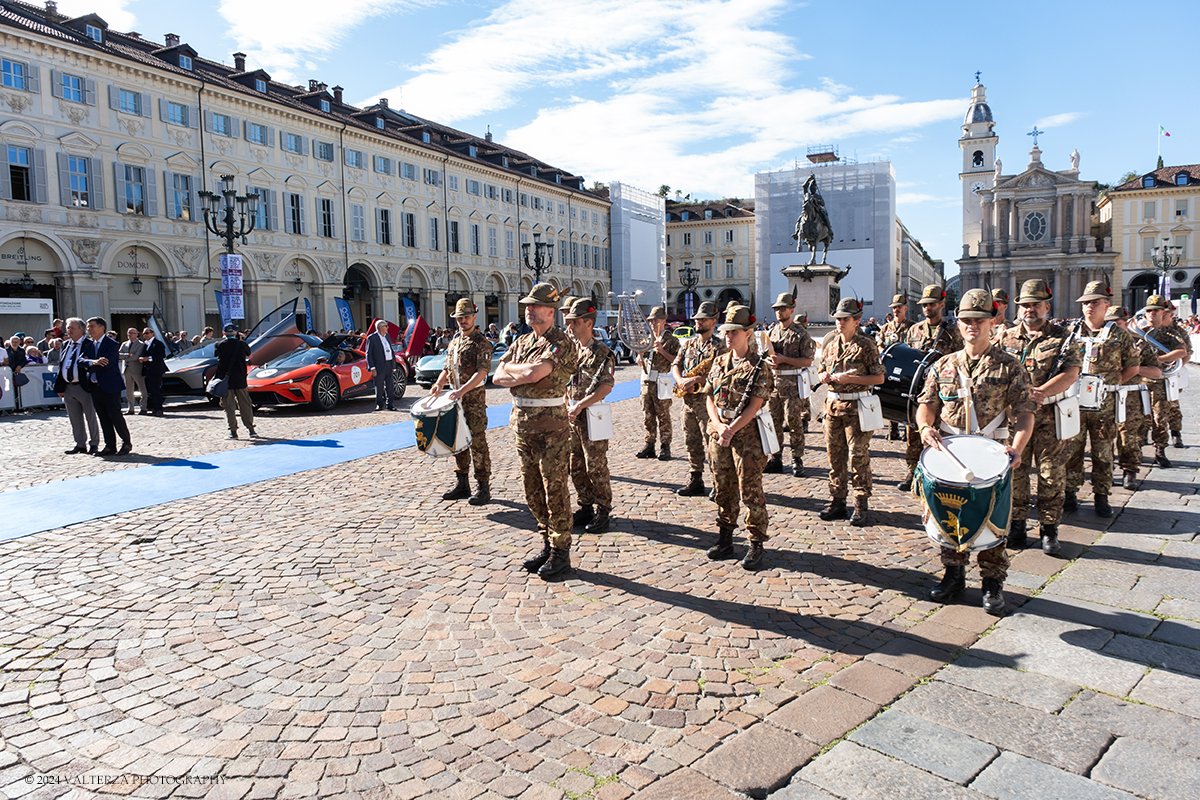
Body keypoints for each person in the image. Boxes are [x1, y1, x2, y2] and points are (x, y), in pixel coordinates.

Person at [916, 289, 1036, 616]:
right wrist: (926, 428)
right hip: (951, 454)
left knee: (992, 521)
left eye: (980, 320)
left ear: (992, 322)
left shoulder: (1010, 366)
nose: (973, 326)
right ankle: (953, 576)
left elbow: (1025, 412)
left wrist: (1018, 447)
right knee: (949, 518)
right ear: (958, 322)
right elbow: (926, 407)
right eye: (967, 320)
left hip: (992, 453)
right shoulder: (943, 365)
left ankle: (992, 584)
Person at [494, 283, 578, 580]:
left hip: (551, 428)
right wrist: (521, 371)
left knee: (554, 490)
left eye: (535, 305)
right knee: (532, 491)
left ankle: (561, 552)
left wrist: (518, 373)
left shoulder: (562, 342)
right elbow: (497, 375)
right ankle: (546, 541)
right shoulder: (522, 341)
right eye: (527, 305)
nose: (528, 309)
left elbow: (532, 373)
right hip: (522, 424)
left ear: (551, 311)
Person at [997, 279, 1081, 554]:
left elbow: (1070, 374)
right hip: (1013, 419)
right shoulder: (1004, 336)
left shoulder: (1063, 337)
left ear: (1047, 306)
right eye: (1025, 305)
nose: (1030, 310)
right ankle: (1018, 526)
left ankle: (1049, 530)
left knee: (1051, 475)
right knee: (1015, 473)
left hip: (1049, 418)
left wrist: (1041, 391)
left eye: (1035, 304)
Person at [1064, 282, 1142, 517]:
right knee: (1071, 449)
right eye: (1086, 302)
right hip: (1075, 401)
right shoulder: (1070, 332)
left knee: (1103, 451)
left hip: (1104, 402)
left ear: (1106, 305)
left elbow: (1133, 366)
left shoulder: (1119, 334)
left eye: (1095, 302)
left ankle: (1101, 495)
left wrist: (1115, 380)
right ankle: (1069, 492)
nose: (1089, 306)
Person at [704, 305, 773, 569]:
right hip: (719, 431)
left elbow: (755, 403)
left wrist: (732, 428)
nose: (728, 337)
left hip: (747, 436)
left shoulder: (757, 366)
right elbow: (709, 395)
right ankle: (725, 537)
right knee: (723, 487)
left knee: (750, 489)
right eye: (726, 332)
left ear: (748, 332)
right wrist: (718, 424)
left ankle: (756, 541)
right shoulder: (720, 361)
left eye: (734, 332)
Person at [817, 298, 885, 525]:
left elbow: (879, 377)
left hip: (857, 408)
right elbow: (820, 370)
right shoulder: (830, 343)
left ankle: (860, 503)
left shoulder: (866, 345)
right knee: (835, 457)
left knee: (858, 455)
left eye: (845, 319)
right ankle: (837, 501)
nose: (840, 323)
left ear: (857, 321)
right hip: (833, 407)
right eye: (838, 318)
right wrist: (822, 377)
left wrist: (852, 379)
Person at [899, 285, 965, 492]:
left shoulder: (952, 331)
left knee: (941, 433)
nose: (927, 308)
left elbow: (960, 361)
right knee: (914, 431)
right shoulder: (914, 330)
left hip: (943, 391)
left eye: (931, 304)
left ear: (941, 305)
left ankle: (939, 474)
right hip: (917, 390)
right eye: (924, 305)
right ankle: (913, 471)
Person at [431, 299, 493, 505]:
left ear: (474, 317)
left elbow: (482, 372)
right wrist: (439, 385)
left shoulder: (481, 343)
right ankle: (462, 483)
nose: (463, 321)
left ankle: (483, 487)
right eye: (459, 318)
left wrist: (461, 390)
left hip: (473, 400)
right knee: (458, 442)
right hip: (455, 400)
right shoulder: (454, 342)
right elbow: (447, 368)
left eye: (466, 317)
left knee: (477, 443)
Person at [565, 298, 616, 534]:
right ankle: (585, 505)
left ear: (588, 323)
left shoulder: (603, 352)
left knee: (595, 465)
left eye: (574, 322)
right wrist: (568, 405)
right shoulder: (572, 350)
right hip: (572, 416)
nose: (570, 326)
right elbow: (565, 382)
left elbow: (605, 387)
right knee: (575, 465)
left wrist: (580, 405)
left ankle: (603, 510)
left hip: (592, 415)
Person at [671, 301, 725, 496]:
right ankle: (696, 479)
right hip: (688, 401)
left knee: (711, 443)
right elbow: (676, 364)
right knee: (691, 440)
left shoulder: (720, 346)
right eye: (697, 319)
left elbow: (721, 373)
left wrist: (696, 379)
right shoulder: (689, 344)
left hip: (707, 402)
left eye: (703, 319)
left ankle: (717, 483)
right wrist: (680, 381)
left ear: (713, 321)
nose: (698, 322)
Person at [765, 292, 816, 477]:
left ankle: (797, 459)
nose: (779, 312)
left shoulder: (801, 334)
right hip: (774, 385)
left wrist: (784, 359)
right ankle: (775, 458)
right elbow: (765, 356)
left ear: (792, 310)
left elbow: (808, 361)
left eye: (783, 308)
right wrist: (769, 362)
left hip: (793, 384)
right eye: (777, 309)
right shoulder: (771, 333)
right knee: (774, 423)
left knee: (794, 423)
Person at [1107, 306, 1157, 489]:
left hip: (1130, 396)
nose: (1112, 327)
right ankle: (1105, 474)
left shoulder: (1139, 342)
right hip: (1105, 395)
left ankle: (1130, 471)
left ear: (1126, 323)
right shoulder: (1099, 341)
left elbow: (1156, 370)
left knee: (1128, 437)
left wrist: (1133, 369)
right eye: (1109, 323)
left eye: (1117, 323)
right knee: (1104, 438)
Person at [1143, 295, 1189, 468]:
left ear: (1163, 313)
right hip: (1139, 381)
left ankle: (1160, 450)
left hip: (1160, 381)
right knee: (1139, 418)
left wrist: (1159, 359)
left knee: (1160, 418)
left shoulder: (1170, 333)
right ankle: (1138, 448)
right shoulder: (1137, 331)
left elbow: (1182, 352)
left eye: (1156, 310)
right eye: (1149, 310)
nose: (1152, 313)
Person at [79, 317, 133, 456]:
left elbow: (107, 365)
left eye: (91, 326)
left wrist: (89, 366)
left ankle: (126, 442)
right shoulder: (90, 344)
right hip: (95, 386)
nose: (89, 329)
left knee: (115, 415)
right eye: (88, 327)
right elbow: (80, 360)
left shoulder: (112, 344)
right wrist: (93, 362)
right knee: (103, 417)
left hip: (110, 386)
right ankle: (110, 445)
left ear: (102, 327)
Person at [635, 306, 679, 460]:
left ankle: (665, 447)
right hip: (647, 381)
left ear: (664, 321)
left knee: (663, 415)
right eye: (651, 321)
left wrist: (663, 351)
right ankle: (649, 445)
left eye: (656, 321)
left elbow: (678, 362)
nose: (653, 324)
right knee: (647, 415)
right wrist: (639, 357)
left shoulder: (671, 340)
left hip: (662, 381)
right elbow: (641, 362)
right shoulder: (647, 339)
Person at [54, 318, 99, 455]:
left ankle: (94, 444)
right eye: (68, 328)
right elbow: (62, 365)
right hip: (68, 387)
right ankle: (80, 444)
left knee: (90, 416)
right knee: (74, 418)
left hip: (84, 386)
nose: (69, 330)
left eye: (72, 328)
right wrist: (60, 387)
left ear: (81, 329)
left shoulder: (90, 344)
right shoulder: (66, 344)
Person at [215, 323, 256, 439]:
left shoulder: (219, 345)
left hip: (226, 380)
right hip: (240, 379)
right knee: (245, 405)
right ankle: (251, 429)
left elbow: (217, 355)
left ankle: (233, 432)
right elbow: (251, 356)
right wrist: (242, 340)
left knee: (229, 406)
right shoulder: (242, 345)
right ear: (236, 333)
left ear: (224, 333)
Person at [1164, 301, 1191, 449]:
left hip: (1173, 372)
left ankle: (1175, 433)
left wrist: (1175, 367)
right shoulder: (1150, 329)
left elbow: (1188, 351)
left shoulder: (1178, 331)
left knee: (1173, 404)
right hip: (1154, 373)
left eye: (1165, 313)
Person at [366, 320, 398, 412]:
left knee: (390, 386)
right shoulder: (372, 338)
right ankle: (379, 405)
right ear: (380, 328)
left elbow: (390, 350)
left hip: (388, 364)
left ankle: (390, 404)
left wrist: (393, 364)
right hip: (378, 366)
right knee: (379, 386)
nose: (388, 328)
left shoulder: (387, 336)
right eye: (386, 326)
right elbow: (369, 354)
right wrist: (372, 367)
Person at [119, 327, 147, 415]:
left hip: (137, 369)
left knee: (142, 389)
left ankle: (143, 407)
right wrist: (128, 355)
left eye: (131, 333)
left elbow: (136, 357)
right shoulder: (124, 344)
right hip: (126, 369)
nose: (129, 334)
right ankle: (131, 408)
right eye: (128, 332)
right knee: (129, 390)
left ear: (136, 334)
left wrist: (126, 357)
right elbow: (118, 354)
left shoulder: (141, 344)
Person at [141, 328, 167, 416]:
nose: (145, 335)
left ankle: (159, 408)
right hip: (148, 370)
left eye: (147, 333)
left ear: (152, 333)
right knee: (151, 390)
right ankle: (154, 408)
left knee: (156, 389)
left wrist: (150, 358)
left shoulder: (158, 343)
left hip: (156, 370)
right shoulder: (145, 344)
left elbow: (162, 355)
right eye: (144, 333)